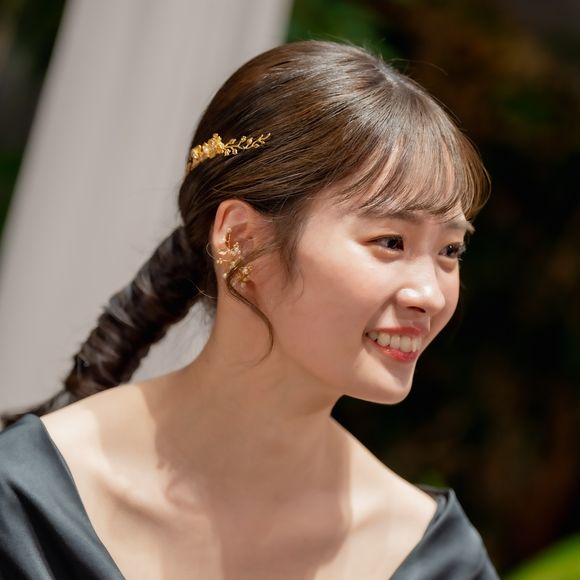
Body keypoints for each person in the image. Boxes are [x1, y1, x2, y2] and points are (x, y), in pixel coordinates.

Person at [0, 40, 499, 579]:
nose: (430, 295)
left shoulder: (437, 559)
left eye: (450, 251)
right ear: (241, 240)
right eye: (390, 242)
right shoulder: (27, 503)